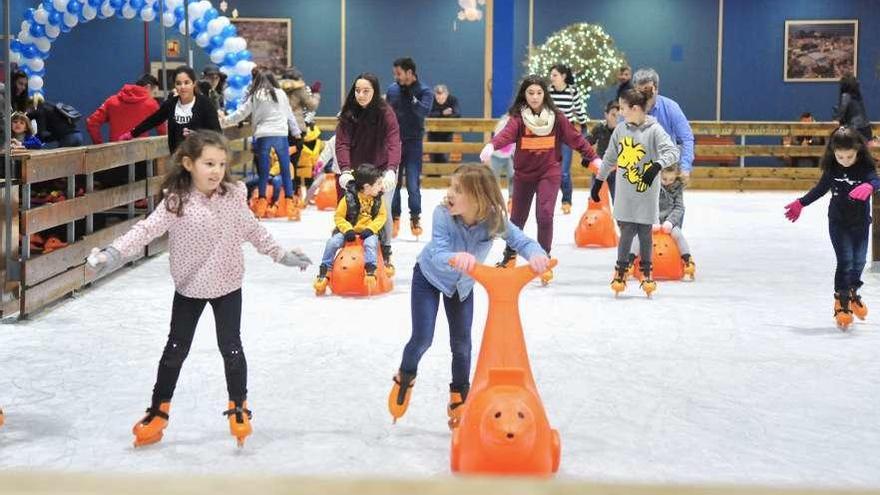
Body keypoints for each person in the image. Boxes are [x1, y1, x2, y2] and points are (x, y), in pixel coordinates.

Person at [86, 130, 313, 447]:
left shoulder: (233, 196)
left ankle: (239, 407)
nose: (216, 171)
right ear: (188, 163)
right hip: (190, 286)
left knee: (231, 348)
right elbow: (146, 229)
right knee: (175, 350)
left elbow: (253, 230)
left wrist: (282, 255)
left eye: (221, 163)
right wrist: (115, 252)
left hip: (227, 283)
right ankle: (158, 411)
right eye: (209, 163)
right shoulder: (176, 201)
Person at [387, 164, 549, 429]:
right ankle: (405, 375)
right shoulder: (442, 214)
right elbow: (438, 252)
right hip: (428, 277)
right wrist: (454, 257)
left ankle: (459, 395)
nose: (450, 193)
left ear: (479, 197)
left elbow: (522, 241)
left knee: (462, 346)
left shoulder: (494, 220)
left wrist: (537, 254)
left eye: (458, 190)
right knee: (422, 339)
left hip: (462, 288)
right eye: (451, 186)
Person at [479, 75, 600, 282]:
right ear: (524, 95)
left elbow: (576, 139)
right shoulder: (518, 118)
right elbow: (506, 135)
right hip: (524, 175)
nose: (535, 97)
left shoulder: (557, 118)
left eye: (538, 93)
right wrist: (492, 145)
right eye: (530, 93)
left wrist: (594, 158)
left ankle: (544, 258)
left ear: (545, 94)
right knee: (516, 219)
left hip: (549, 172)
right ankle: (510, 255)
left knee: (544, 215)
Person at [784, 127, 879, 330]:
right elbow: (820, 189)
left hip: (861, 222)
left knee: (859, 261)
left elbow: (875, 179)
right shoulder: (833, 169)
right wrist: (801, 203)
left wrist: (871, 186)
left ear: (858, 151)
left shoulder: (864, 167)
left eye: (849, 156)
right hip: (838, 222)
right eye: (840, 156)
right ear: (833, 152)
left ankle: (853, 291)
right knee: (845, 260)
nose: (844, 160)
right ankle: (841, 301)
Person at [590, 88, 680, 297]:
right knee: (627, 230)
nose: (620, 112)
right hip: (625, 192)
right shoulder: (621, 130)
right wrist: (599, 180)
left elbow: (673, 152)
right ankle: (620, 271)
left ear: (636, 108)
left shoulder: (655, 130)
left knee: (645, 232)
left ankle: (646, 272)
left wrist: (657, 165)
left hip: (646, 192)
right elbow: (610, 157)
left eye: (623, 108)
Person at [335, 72, 401, 274]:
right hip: (357, 172)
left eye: (366, 91)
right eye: (357, 90)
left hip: (381, 171)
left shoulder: (385, 113)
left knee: (384, 210)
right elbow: (342, 143)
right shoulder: (348, 113)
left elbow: (393, 142)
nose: (361, 95)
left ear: (375, 91)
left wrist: (391, 170)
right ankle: (343, 251)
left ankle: (386, 252)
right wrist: (345, 170)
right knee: (350, 209)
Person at [222, 68, 302, 219]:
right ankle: (291, 207)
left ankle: (261, 207)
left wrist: (225, 121)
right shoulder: (281, 94)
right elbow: (290, 115)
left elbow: (241, 113)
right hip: (280, 134)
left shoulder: (255, 95)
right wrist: (296, 133)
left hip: (263, 135)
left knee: (264, 173)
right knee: (285, 170)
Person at [313, 164, 387, 294]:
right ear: (367, 187)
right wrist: (347, 230)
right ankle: (325, 271)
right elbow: (339, 217)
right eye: (378, 183)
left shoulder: (378, 199)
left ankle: (370, 270)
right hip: (349, 231)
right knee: (332, 243)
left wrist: (371, 229)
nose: (381, 186)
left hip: (369, 232)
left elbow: (382, 217)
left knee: (370, 244)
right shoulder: (348, 198)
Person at [121, 66, 222, 153]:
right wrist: (132, 133)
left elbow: (217, 133)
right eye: (178, 83)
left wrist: (198, 136)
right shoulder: (171, 104)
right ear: (175, 85)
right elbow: (153, 120)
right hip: (177, 158)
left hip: (200, 157)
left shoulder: (205, 104)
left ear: (193, 84)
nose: (183, 87)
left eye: (186, 83)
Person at [387, 57, 433, 237]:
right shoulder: (392, 90)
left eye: (399, 73)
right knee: (394, 183)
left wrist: (412, 99)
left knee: (413, 183)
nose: (396, 77)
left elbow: (424, 112)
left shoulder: (425, 91)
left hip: (414, 142)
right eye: (394, 74)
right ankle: (395, 218)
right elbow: (388, 114)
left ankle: (415, 218)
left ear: (410, 73)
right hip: (395, 143)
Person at [626, 164, 695, 278]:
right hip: (652, 220)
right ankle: (630, 261)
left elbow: (679, 207)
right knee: (639, 236)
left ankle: (687, 259)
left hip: (669, 222)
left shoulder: (677, 188)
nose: (668, 182)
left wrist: (670, 222)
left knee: (678, 234)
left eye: (671, 179)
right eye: (664, 179)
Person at [631, 68, 694, 183]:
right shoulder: (629, 109)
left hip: (666, 170)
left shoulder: (671, 108)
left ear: (656, 89)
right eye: (639, 91)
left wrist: (685, 167)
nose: (643, 95)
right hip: (636, 170)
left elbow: (686, 138)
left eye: (647, 90)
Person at [548, 64, 588, 214]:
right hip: (550, 133)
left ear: (563, 76)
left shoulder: (572, 91)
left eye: (555, 75)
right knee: (550, 169)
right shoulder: (548, 92)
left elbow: (579, 110)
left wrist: (584, 127)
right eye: (551, 75)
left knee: (564, 171)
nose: (552, 78)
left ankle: (566, 200)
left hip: (567, 133)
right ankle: (549, 200)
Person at [87, 74, 167, 144]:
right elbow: (162, 131)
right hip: (140, 155)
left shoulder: (111, 101)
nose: (153, 96)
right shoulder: (151, 104)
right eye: (153, 92)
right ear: (148, 87)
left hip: (115, 154)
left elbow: (92, 122)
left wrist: (99, 145)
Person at [587, 100, 620, 201]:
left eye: (619, 115)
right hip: (599, 169)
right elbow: (586, 143)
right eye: (613, 115)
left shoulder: (624, 130)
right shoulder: (599, 128)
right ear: (606, 115)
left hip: (617, 171)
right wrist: (589, 158)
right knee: (595, 198)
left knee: (618, 201)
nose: (616, 118)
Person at [427, 84, 460, 163]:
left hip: (447, 134)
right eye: (437, 96)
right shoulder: (431, 100)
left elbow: (457, 114)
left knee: (444, 159)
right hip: (433, 134)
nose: (440, 99)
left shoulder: (453, 100)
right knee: (433, 159)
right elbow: (428, 114)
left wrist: (441, 116)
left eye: (442, 96)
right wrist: (442, 113)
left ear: (447, 94)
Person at [834, 74, 872, 142]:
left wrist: (836, 115)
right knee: (864, 151)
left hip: (855, 129)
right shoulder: (858, 96)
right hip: (866, 128)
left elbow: (841, 114)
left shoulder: (846, 96)